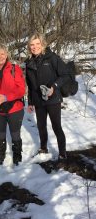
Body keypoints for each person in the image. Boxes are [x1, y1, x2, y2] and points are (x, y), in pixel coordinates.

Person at [25, 32, 68, 160]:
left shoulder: (52, 58)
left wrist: (53, 87)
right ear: (29, 47)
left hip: (53, 98)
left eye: (37, 44)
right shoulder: (28, 62)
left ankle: (62, 153)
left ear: (42, 44)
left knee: (56, 126)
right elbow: (30, 84)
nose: (35, 47)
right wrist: (30, 102)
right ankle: (43, 148)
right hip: (38, 100)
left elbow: (65, 75)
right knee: (41, 126)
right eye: (32, 45)